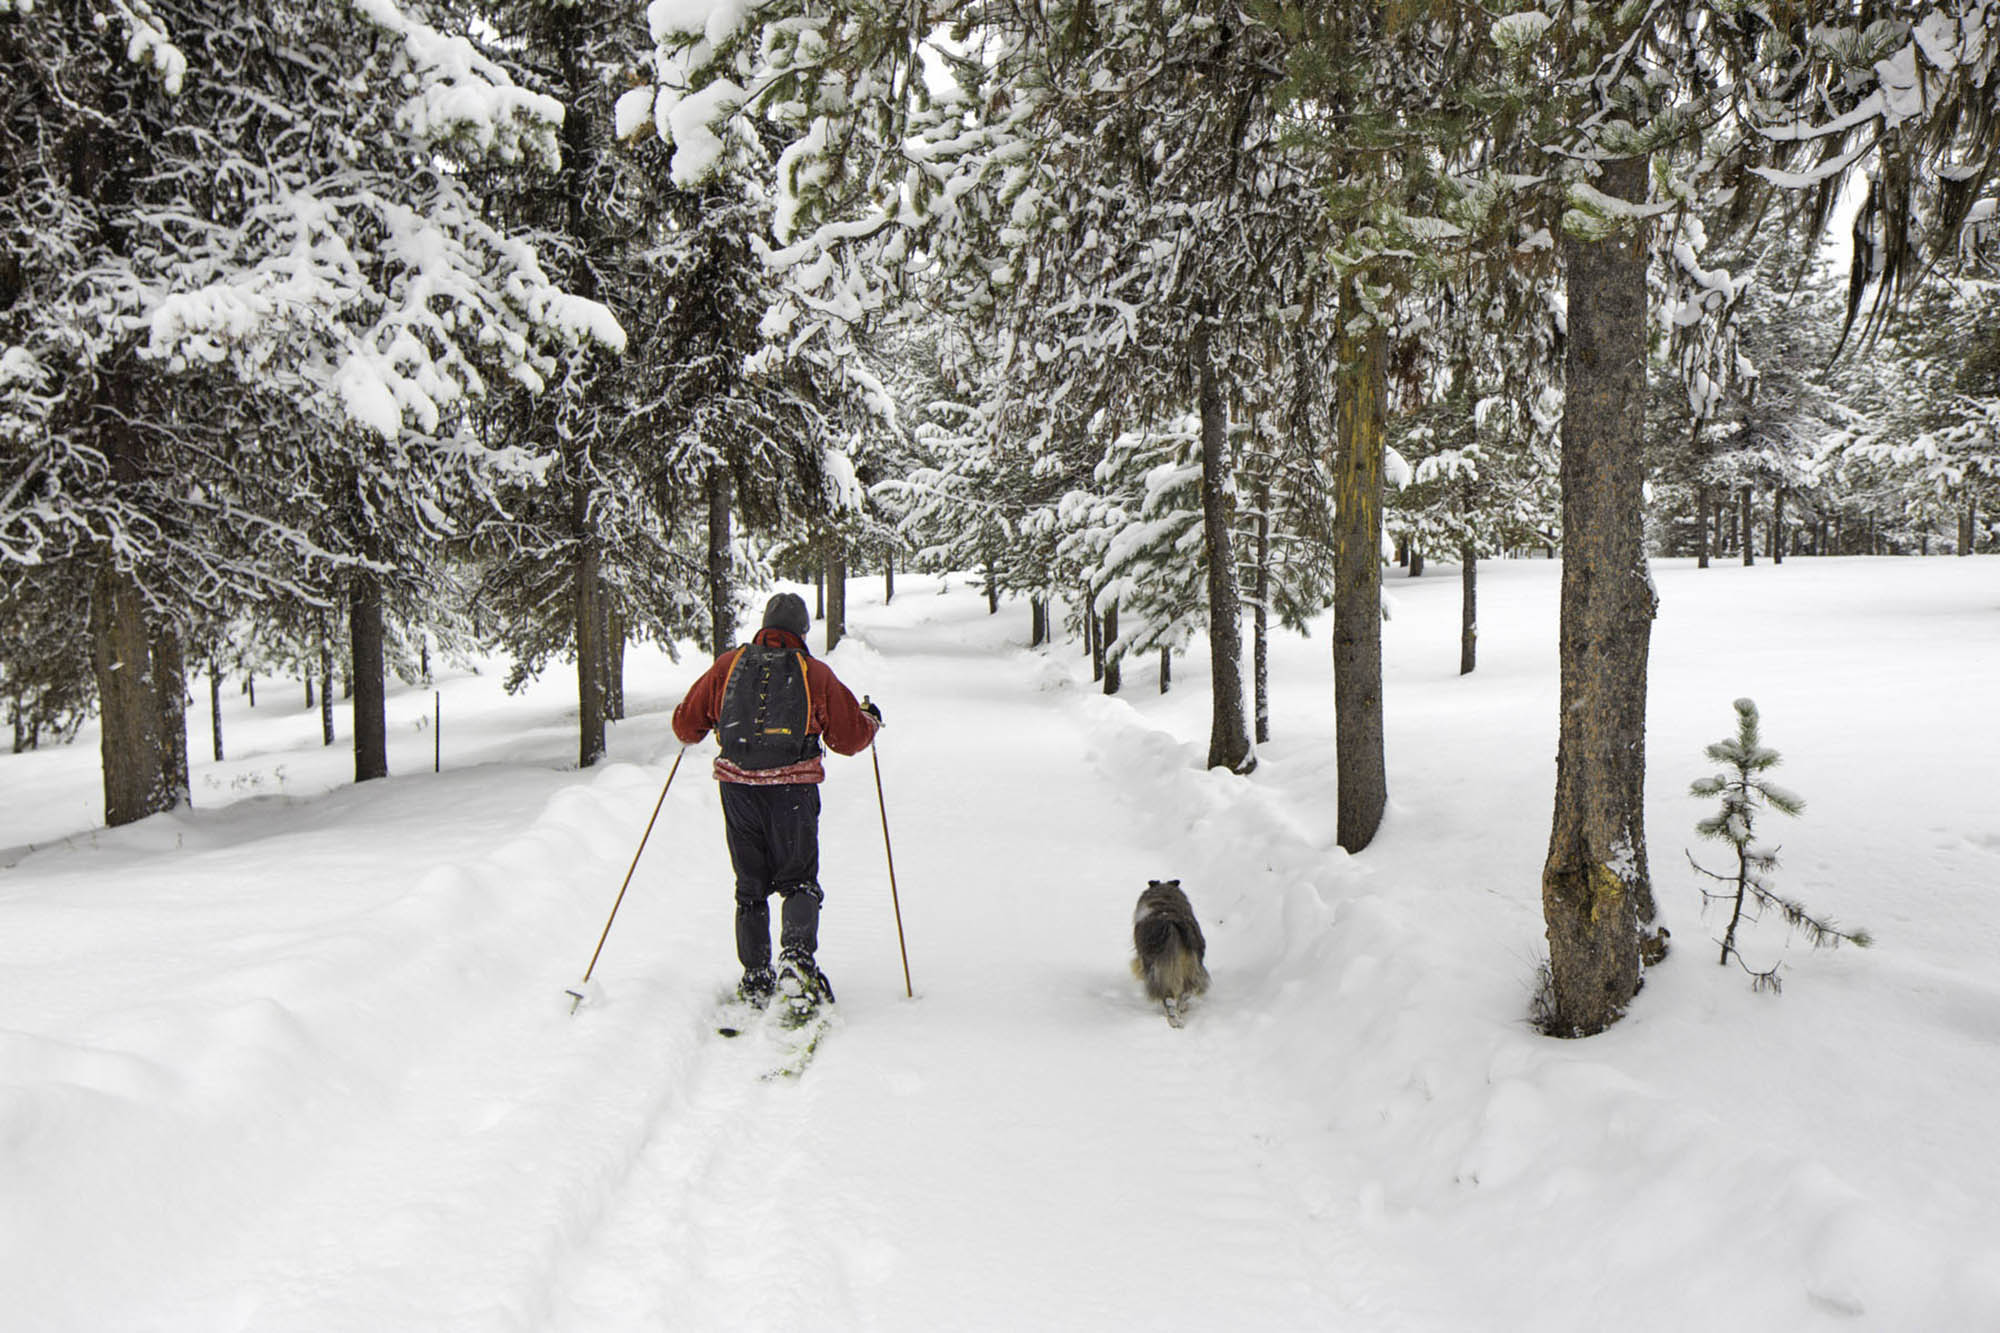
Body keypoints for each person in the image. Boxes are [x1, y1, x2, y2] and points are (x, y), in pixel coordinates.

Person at [671, 591, 881, 1015]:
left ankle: (755, 975)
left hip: (737, 791)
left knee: (750, 885)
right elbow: (849, 739)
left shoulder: (728, 666)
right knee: (798, 878)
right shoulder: (813, 673)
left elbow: (686, 727)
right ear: (802, 632)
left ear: (764, 626)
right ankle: (797, 962)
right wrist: (871, 719)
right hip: (792, 792)